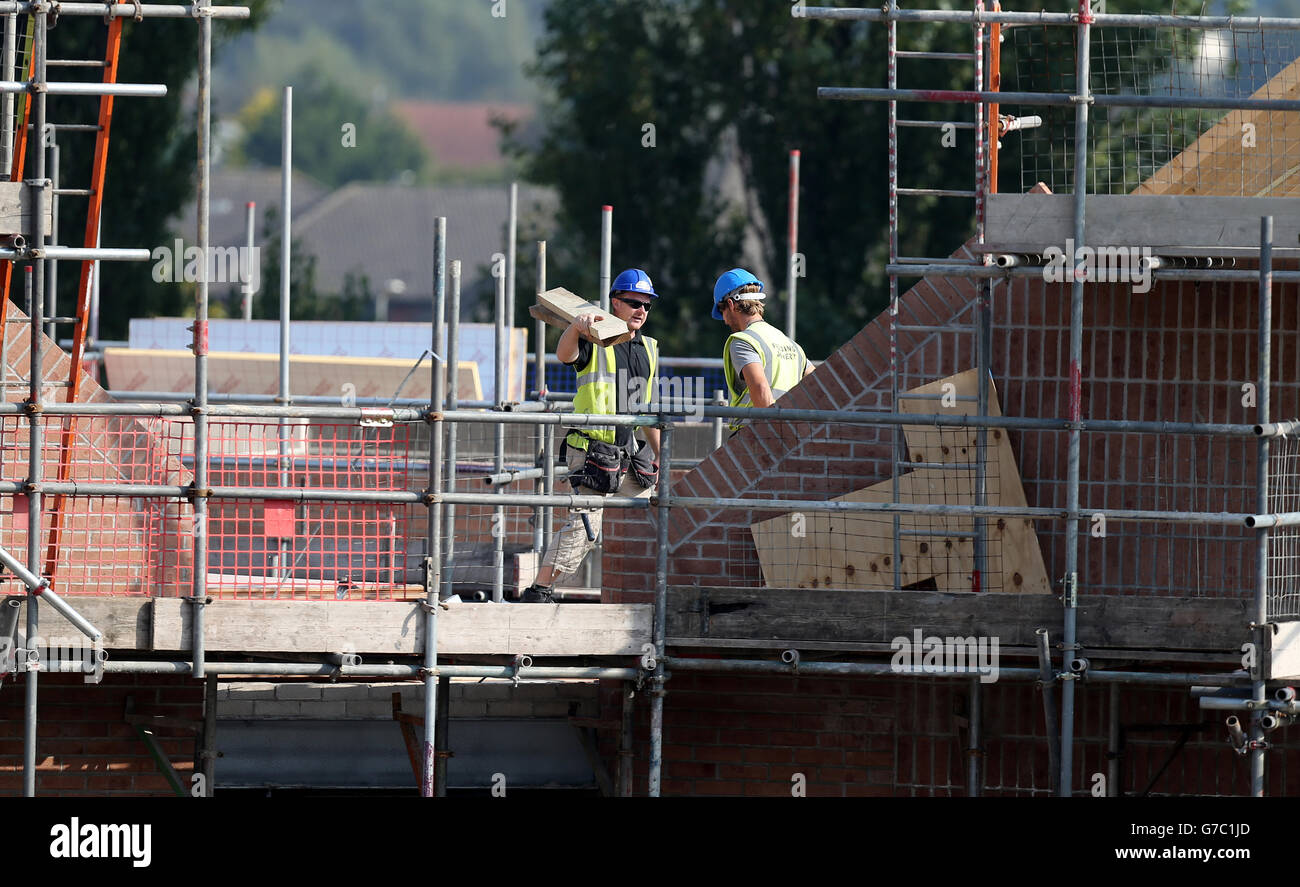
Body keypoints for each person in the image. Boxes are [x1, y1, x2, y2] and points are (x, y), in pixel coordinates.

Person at [521, 268, 662, 603]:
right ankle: (540, 591)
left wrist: (664, 457)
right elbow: (565, 355)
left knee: (656, 515)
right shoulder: (596, 338)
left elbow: (647, 409)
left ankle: (647, 595)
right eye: (633, 302)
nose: (641, 310)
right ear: (616, 303)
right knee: (585, 530)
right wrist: (576, 327)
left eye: (647, 305)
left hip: (627, 453)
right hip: (591, 452)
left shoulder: (649, 348)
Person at [712, 268, 811, 434]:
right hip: (791, 436)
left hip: (758, 437)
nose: (724, 320)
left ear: (730, 304)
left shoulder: (743, 342)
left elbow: (761, 391)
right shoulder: (792, 345)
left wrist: (775, 436)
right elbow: (815, 387)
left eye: (722, 311)